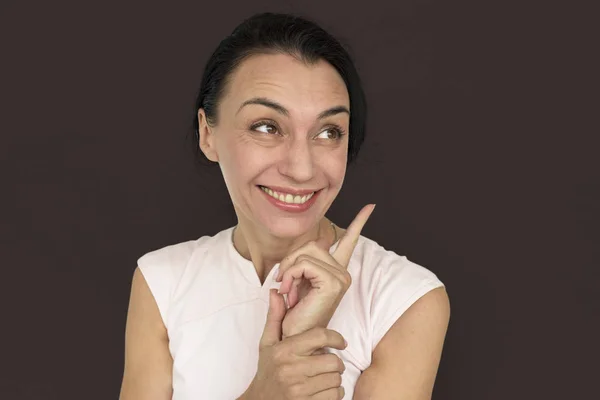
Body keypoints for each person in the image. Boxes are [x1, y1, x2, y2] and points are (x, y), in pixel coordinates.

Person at [119, 12, 450, 400]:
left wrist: (301, 341)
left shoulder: (403, 298)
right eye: (266, 126)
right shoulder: (162, 282)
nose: (301, 168)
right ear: (208, 134)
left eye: (329, 132)